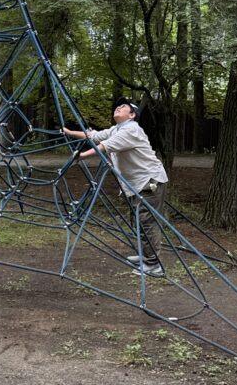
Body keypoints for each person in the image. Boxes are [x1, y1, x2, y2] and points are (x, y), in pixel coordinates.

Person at [63, 100, 169, 277]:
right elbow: (94, 136)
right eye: (118, 106)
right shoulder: (116, 129)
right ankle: (146, 255)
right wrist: (68, 132)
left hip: (149, 182)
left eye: (123, 107)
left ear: (131, 115)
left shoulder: (132, 129)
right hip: (137, 184)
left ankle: (153, 265)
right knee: (140, 221)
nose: (118, 107)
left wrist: (80, 156)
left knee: (147, 222)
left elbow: (105, 146)